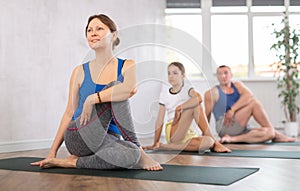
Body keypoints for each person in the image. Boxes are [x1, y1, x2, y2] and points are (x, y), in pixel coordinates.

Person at [31, 14, 162, 171]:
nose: (93, 33)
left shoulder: (127, 65)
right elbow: (69, 113)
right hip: (79, 135)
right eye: (89, 30)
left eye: (99, 29)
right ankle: (140, 151)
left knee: (130, 155)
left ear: (114, 35)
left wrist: (93, 98)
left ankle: (71, 162)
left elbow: (130, 89)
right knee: (115, 87)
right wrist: (52, 152)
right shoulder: (79, 71)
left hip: (108, 140)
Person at [143, 62, 231, 153]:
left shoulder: (188, 89)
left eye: (175, 73)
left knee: (208, 142)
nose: (171, 76)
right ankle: (216, 143)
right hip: (174, 130)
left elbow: (199, 98)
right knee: (195, 105)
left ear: (183, 75)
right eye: (169, 73)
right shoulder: (165, 93)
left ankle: (168, 146)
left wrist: (180, 107)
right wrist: (155, 142)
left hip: (188, 131)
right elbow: (159, 121)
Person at [204, 65, 295, 143]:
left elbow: (249, 96)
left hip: (241, 127)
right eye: (220, 74)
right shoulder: (212, 93)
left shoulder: (237, 85)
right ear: (217, 76)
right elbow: (206, 116)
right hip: (225, 126)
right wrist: (205, 135)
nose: (223, 76)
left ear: (231, 75)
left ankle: (232, 139)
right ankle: (276, 133)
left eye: (225, 73)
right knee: (254, 103)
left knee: (269, 133)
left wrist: (232, 109)